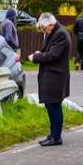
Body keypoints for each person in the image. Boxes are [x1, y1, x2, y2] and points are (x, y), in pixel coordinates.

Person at [29, 12, 71, 146]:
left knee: (54, 106)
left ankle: (56, 137)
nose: (43, 31)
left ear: (51, 24)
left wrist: (36, 57)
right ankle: (53, 134)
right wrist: (40, 53)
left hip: (56, 76)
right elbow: (50, 51)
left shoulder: (60, 34)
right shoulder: (54, 32)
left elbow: (53, 55)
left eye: (44, 28)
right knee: (50, 105)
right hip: (52, 75)